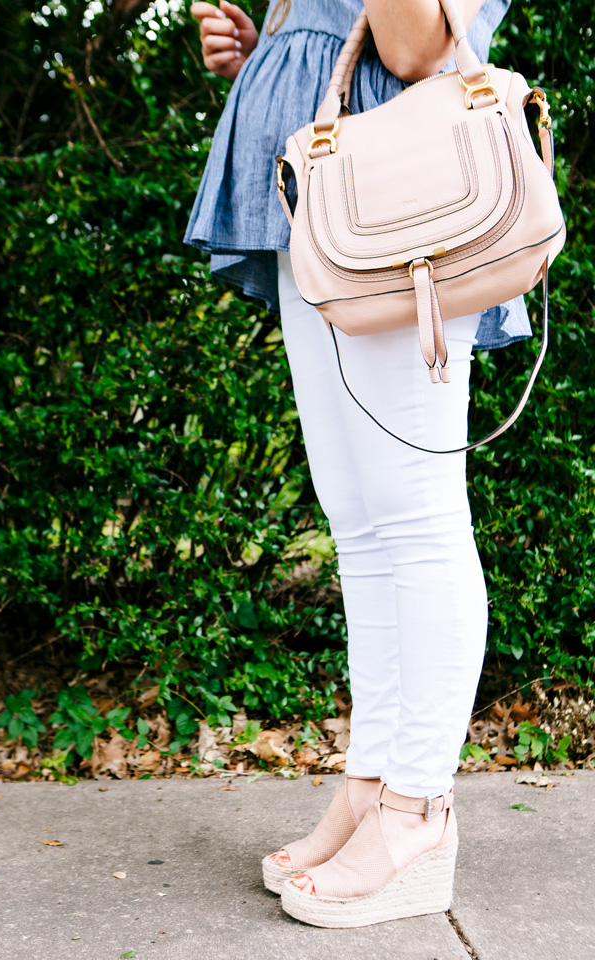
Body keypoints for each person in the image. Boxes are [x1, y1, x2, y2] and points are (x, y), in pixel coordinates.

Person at [186, 0, 530, 929]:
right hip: (336, 185)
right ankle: (373, 783)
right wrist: (275, 54)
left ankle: (419, 811)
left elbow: (421, 42)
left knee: (415, 517)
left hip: (407, 192)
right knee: (362, 526)